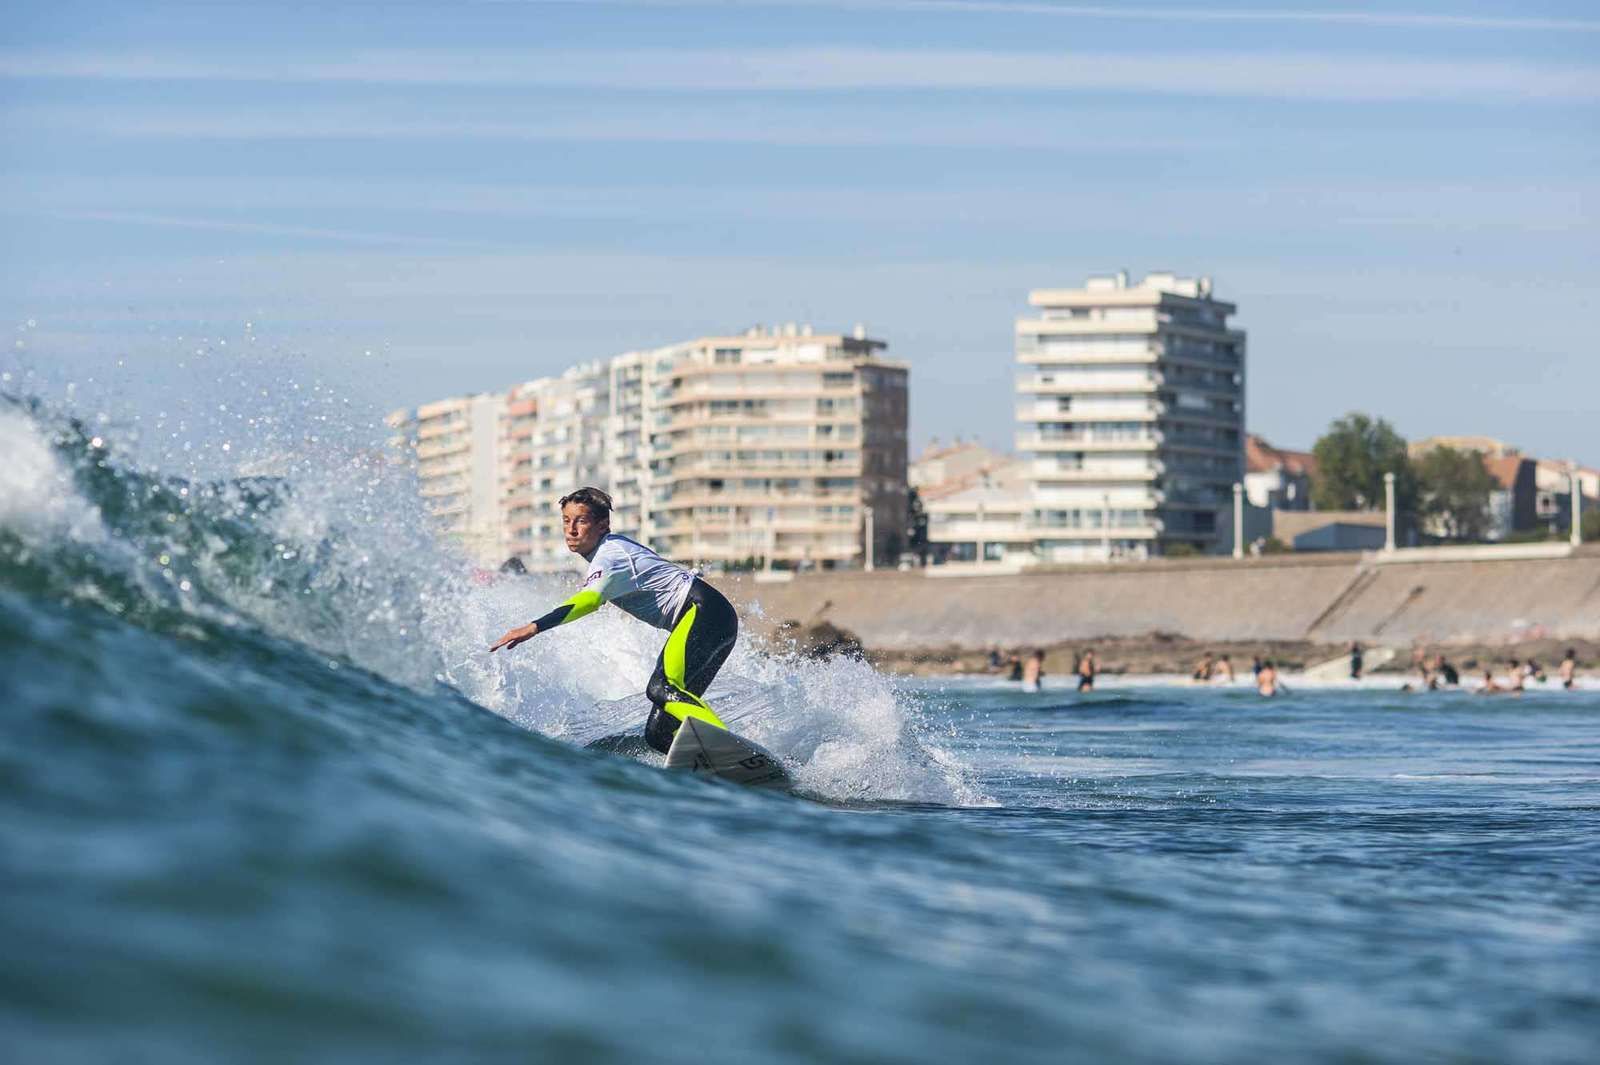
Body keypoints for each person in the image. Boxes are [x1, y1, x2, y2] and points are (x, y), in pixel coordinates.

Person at [489, 487, 739, 754]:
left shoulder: (609, 555)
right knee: (658, 733)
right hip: (713, 619)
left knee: (661, 688)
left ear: (602, 525)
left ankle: (728, 749)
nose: (571, 530)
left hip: (703, 612)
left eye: (581, 521)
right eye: (566, 520)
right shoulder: (610, 551)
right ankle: (714, 765)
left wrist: (534, 627)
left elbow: (588, 601)